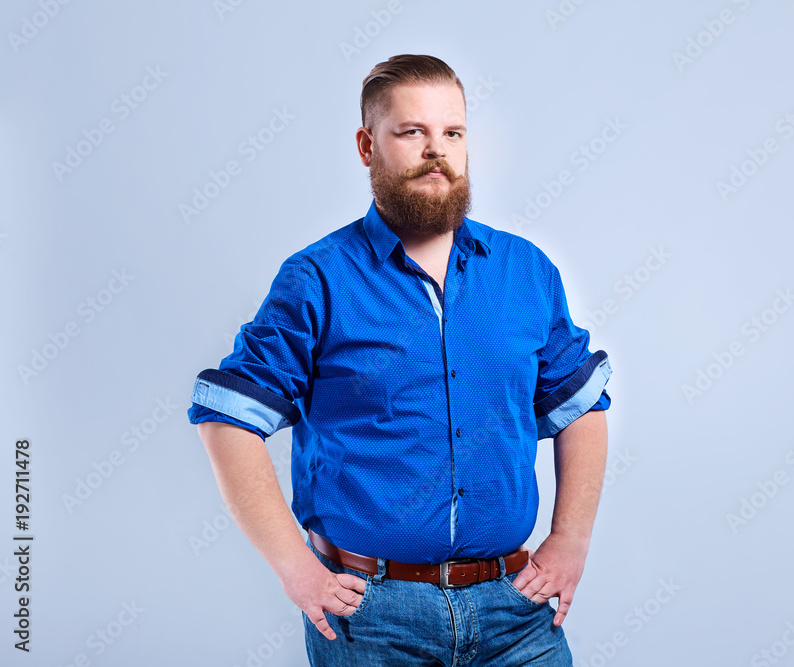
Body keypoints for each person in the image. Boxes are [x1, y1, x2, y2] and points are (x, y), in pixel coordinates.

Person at [188, 54, 612, 666]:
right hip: (372, 618)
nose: (435, 149)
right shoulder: (317, 279)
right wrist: (294, 568)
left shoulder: (527, 272)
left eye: (452, 133)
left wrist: (571, 540)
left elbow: (580, 407)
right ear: (367, 145)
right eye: (412, 132)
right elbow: (230, 419)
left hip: (515, 608)